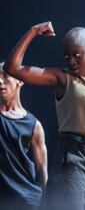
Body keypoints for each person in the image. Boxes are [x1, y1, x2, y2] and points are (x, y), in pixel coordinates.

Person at [4, 22, 85, 210]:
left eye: (76, 55)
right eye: (67, 56)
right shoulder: (62, 78)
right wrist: (34, 31)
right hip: (75, 155)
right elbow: (12, 68)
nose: (71, 61)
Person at [0, 61, 48, 210]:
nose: (0, 81)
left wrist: (47, 204)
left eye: (5, 76)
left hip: (27, 200)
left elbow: (42, 171)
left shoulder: (34, 125)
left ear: (20, 80)